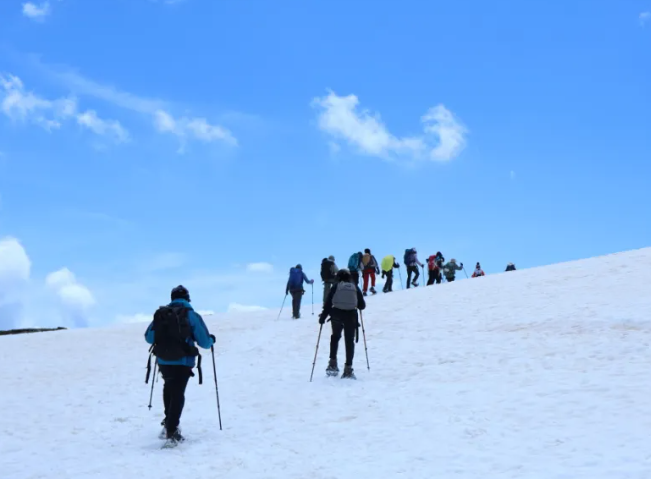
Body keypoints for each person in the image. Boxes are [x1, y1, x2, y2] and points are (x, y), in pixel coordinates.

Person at [144, 285, 215, 447]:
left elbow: (149, 338)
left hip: (163, 360)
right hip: (183, 361)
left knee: (169, 387)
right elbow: (204, 342)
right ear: (188, 299)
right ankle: (172, 430)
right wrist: (212, 340)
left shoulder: (161, 314)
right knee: (177, 392)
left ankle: (167, 423)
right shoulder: (191, 315)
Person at [319, 269, 366, 379]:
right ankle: (348, 369)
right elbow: (362, 305)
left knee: (335, 337)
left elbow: (328, 304)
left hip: (336, 314)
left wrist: (323, 317)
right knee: (349, 341)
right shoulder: (354, 287)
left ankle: (332, 364)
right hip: (351, 315)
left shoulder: (335, 287)